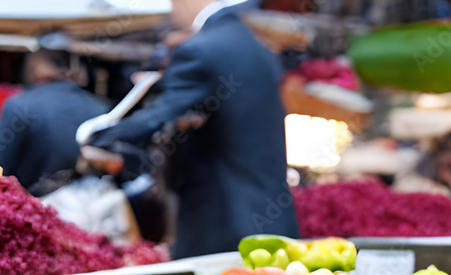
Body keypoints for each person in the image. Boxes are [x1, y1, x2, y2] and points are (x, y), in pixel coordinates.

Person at [83, 0, 298, 259]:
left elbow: (159, 116)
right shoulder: (258, 49)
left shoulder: (200, 51)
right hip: (273, 225)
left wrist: (100, 138)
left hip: (223, 235)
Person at [0, 47, 106, 192]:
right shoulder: (100, 108)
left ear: (36, 65)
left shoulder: (19, 105)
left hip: (31, 207)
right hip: (90, 205)